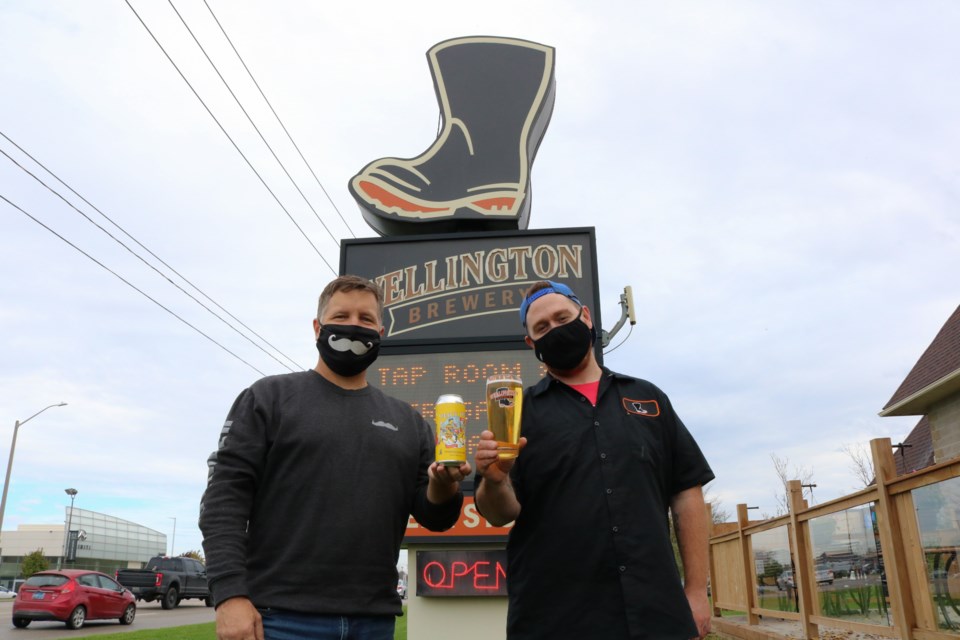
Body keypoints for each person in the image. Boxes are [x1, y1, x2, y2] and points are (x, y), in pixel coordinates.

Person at [200, 275, 470, 640]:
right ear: (318, 326)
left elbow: (436, 517)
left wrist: (443, 486)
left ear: (381, 330)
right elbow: (223, 501)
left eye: (365, 318)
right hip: (278, 618)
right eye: (341, 316)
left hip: (374, 621)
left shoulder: (408, 421)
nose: (354, 326)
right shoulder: (268, 398)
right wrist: (229, 595)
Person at [474, 280, 715, 640]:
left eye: (562, 317)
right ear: (531, 344)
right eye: (542, 327)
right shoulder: (518, 415)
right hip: (554, 619)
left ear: (585, 317)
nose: (555, 329)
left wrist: (696, 592)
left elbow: (687, 494)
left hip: (656, 615)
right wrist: (495, 480)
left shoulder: (648, 398)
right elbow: (498, 513)